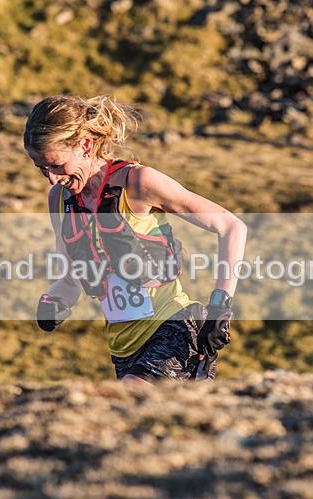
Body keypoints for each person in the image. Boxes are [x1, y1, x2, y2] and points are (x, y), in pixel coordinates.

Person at [23, 94, 247, 384]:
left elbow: (231, 227)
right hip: (123, 349)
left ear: (86, 146)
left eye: (56, 165)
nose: (52, 178)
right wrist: (53, 302)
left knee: (123, 403)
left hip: (175, 328)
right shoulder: (61, 201)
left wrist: (220, 308)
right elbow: (70, 281)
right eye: (41, 168)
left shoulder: (138, 183)